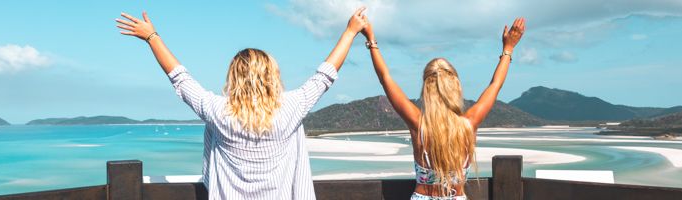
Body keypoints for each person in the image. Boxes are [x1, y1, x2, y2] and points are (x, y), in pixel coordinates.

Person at [115, 7, 368, 199]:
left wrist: (152, 38)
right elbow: (325, 75)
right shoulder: (292, 107)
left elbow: (180, 78)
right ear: (272, 74)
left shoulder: (218, 112)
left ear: (233, 76)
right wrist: (350, 31)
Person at [360, 17, 526, 199]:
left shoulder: (419, 124)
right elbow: (495, 85)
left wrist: (371, 40)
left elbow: (386, 79)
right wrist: (508, 49)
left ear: (426, 89)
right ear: (455, 86)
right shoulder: (468, 124)